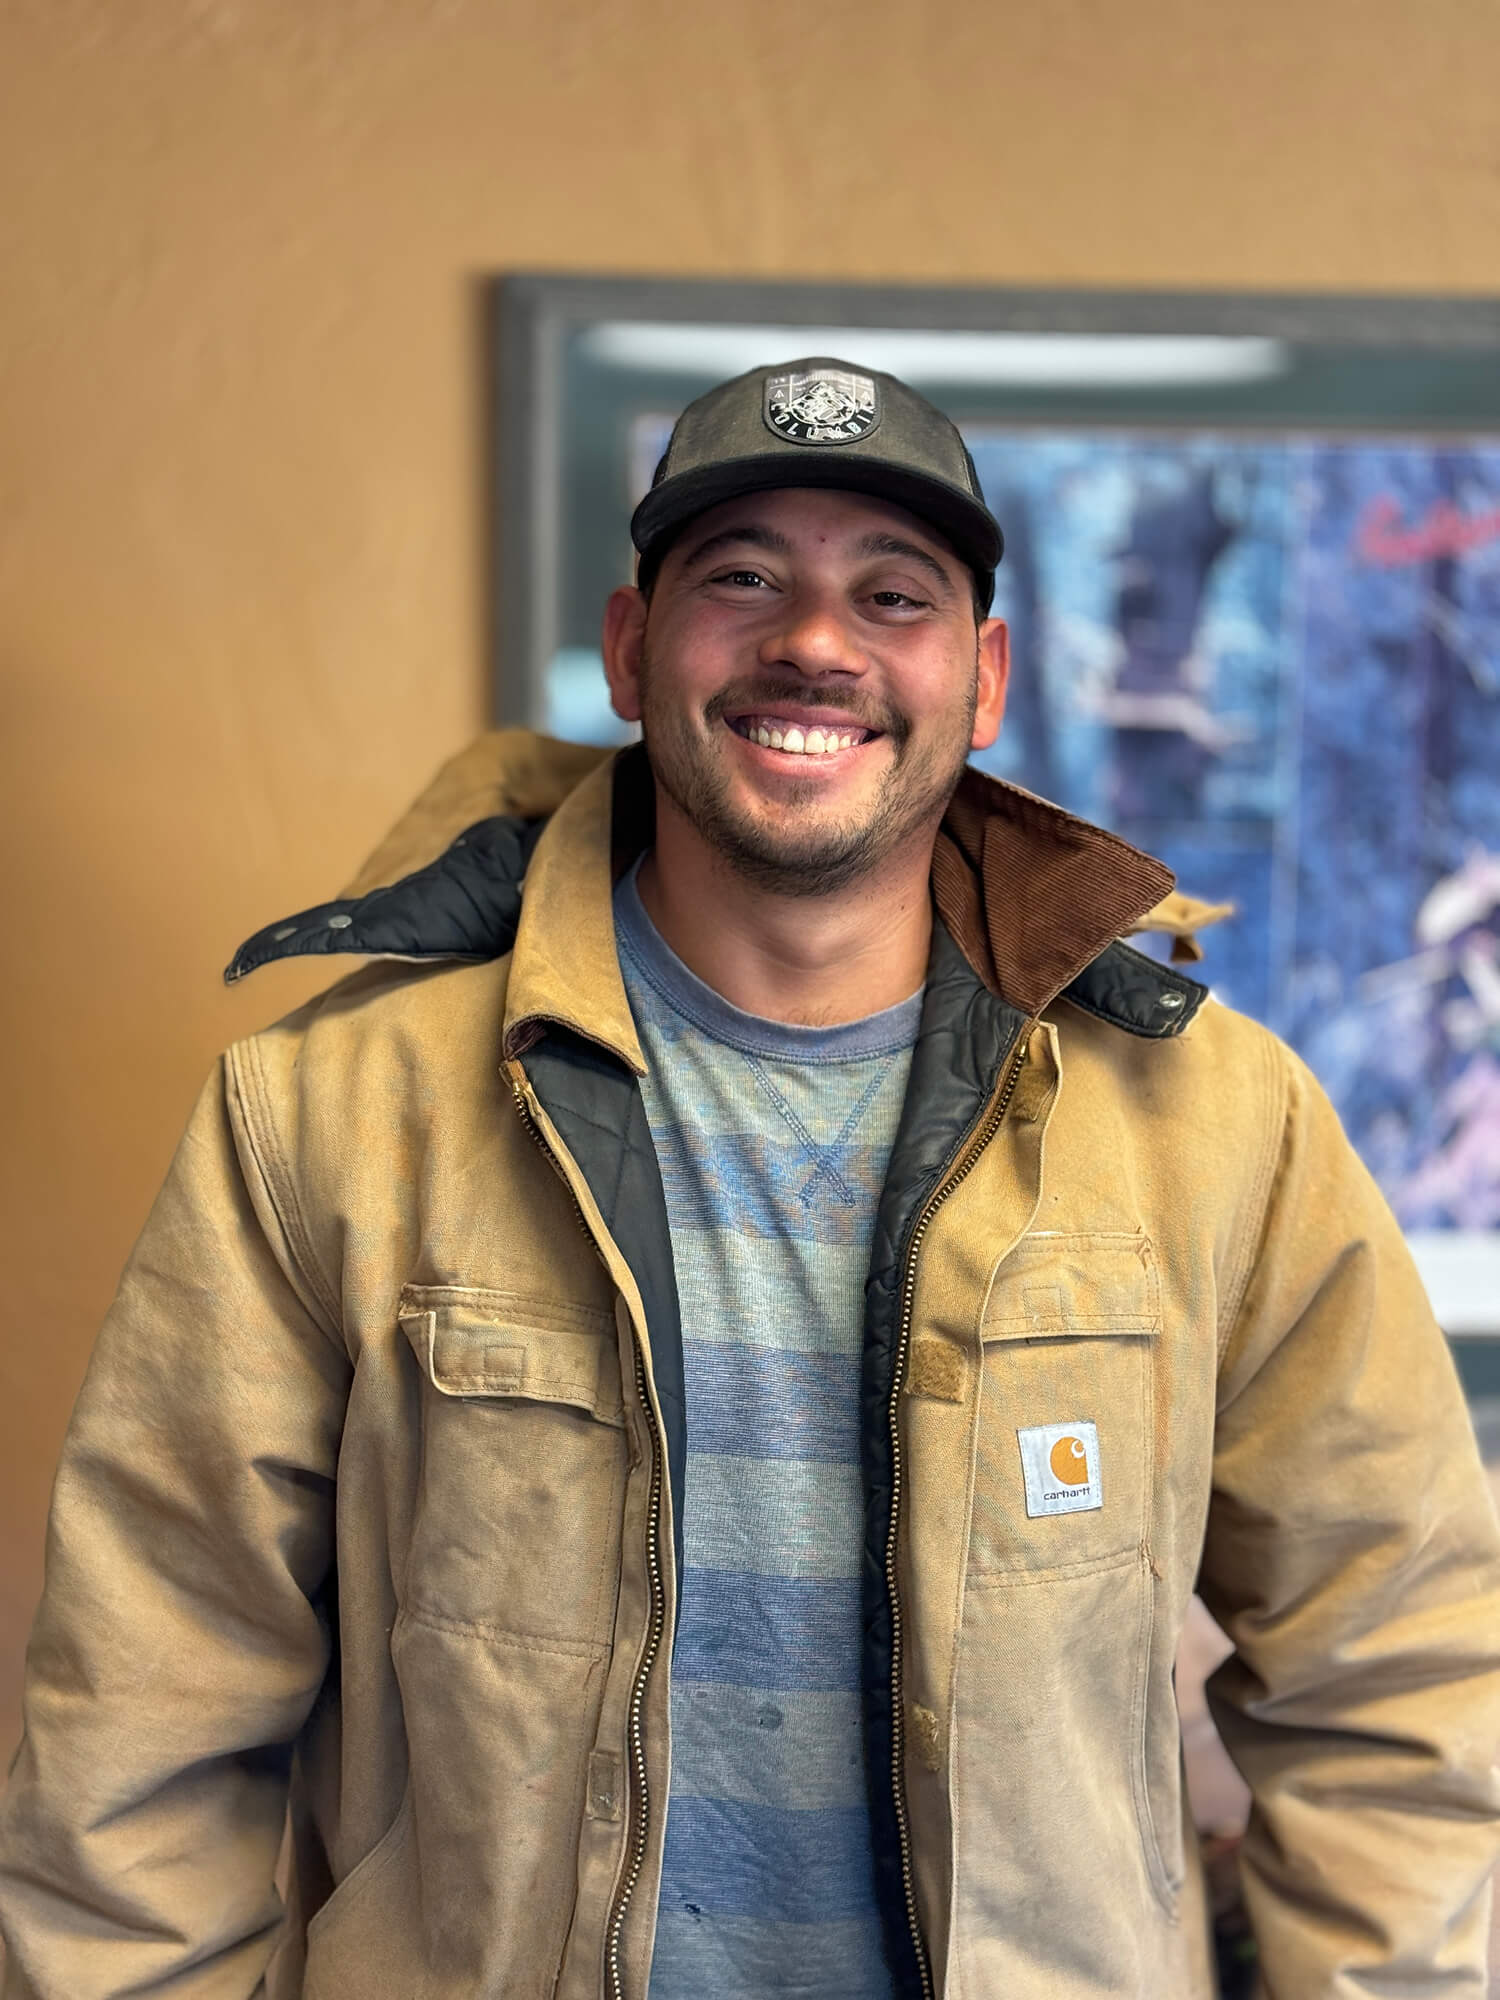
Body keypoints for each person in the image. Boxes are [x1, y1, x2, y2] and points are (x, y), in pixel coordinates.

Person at [1, 357, 1497, 2000]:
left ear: (984, 678)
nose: (816, 644)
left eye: (893, 594)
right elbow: (138, 1727)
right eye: (743, 579)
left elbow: (1402, 1676)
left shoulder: (1219, 1125)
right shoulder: (330, 1116)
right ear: (631, 647)